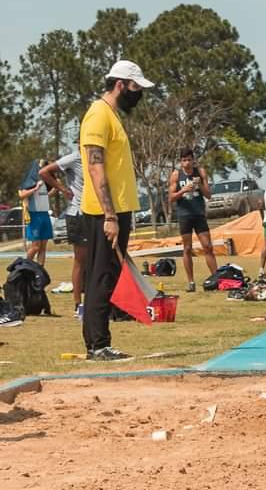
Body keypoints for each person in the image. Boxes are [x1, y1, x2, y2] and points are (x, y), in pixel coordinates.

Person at [80, 59, 155, 361]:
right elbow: (96, 168)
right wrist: (110, 216)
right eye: (136, 88)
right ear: (120, 84)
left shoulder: (111, 115)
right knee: (101, 277)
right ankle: (98, 345)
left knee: (106, 275)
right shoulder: (98, 115)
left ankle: (98, 343)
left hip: (118, 211)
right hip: (103, 214)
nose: (139, 95)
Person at [39, 151, 88, 316]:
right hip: (78, 214)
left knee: (98, 260)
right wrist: (63, 189)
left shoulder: (99, 157)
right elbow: (44, 172)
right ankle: (78, 305)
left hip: (96, 213)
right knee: (80, 260)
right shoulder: (75, 157)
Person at [168, 148, 219, 292]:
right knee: (187, 248)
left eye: (189, 160)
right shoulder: (176, 175)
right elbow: (171, 198)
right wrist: (183, 190)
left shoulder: (200, 172)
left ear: (193, 160)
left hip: (199, 214)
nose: (187, 163)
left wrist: (199, 185)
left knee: (207, 246)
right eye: (184, 160)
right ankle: (191, 282)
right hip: (184, 215)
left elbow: (208, 195)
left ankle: (216, 279)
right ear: (180, 161)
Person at [18, 159, 54, 266]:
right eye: (41, 167)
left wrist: (56, 188)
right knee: (36, 246)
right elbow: (21, 195)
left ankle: (39, 271)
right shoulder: (31, 181)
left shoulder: (45, 182)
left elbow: (45, 196)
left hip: (45, 215)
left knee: (43, 247)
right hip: (34, 215)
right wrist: (35, 188)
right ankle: (25, 266)